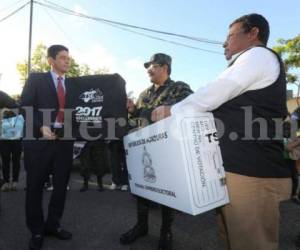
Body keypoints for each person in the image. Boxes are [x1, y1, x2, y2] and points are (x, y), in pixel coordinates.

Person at [152, 14, 292, 250]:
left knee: (250, 243)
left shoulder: (258, 55)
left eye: (230, 35)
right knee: (231, 239)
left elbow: (214, 93)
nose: (224, 43)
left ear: (253, 34)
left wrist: (172, 110)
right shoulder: (247, 64)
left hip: (251, 175)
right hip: (237, 171)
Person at [119, 53, 193, 250]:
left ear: (165, 67)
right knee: (142, 189)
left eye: (153, 66)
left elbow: (192, 106)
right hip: (144, 149)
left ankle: (165, 231)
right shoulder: (145, 94)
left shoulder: (179, 88)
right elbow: (139, 119)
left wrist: (171, 108)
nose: (148, 70)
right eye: (148, 66)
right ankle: (141, 226)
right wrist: (133, 109)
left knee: (167, 192)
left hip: (168, 149)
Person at [21, 45, 74, 250]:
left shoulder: (73, 85)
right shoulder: (36, 79)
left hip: (64, 142)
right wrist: (40, 126)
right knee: (34, 187)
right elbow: (25, 106)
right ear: (51, 60)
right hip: (38, 142)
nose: (67, 61)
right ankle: (36, 230)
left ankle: (53, 225)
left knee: (60, 187)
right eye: (62, 58)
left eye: (68, 58)